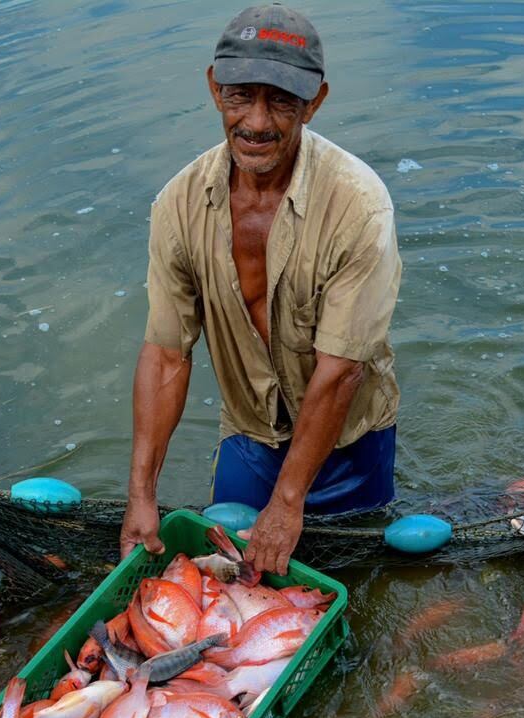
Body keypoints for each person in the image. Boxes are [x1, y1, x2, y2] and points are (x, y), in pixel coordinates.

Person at [119, 3, 401, 575]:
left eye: (281, 100)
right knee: (227, 585)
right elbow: (168, 355)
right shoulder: (178, 204)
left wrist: (289, 501)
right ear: (213, 87)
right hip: (249, 433)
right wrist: (141, 494)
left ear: (315, 101)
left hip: (350, 442)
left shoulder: (358, 205)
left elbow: (341, 369)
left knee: (358, 581)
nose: (256, 121)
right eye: (240, 95)